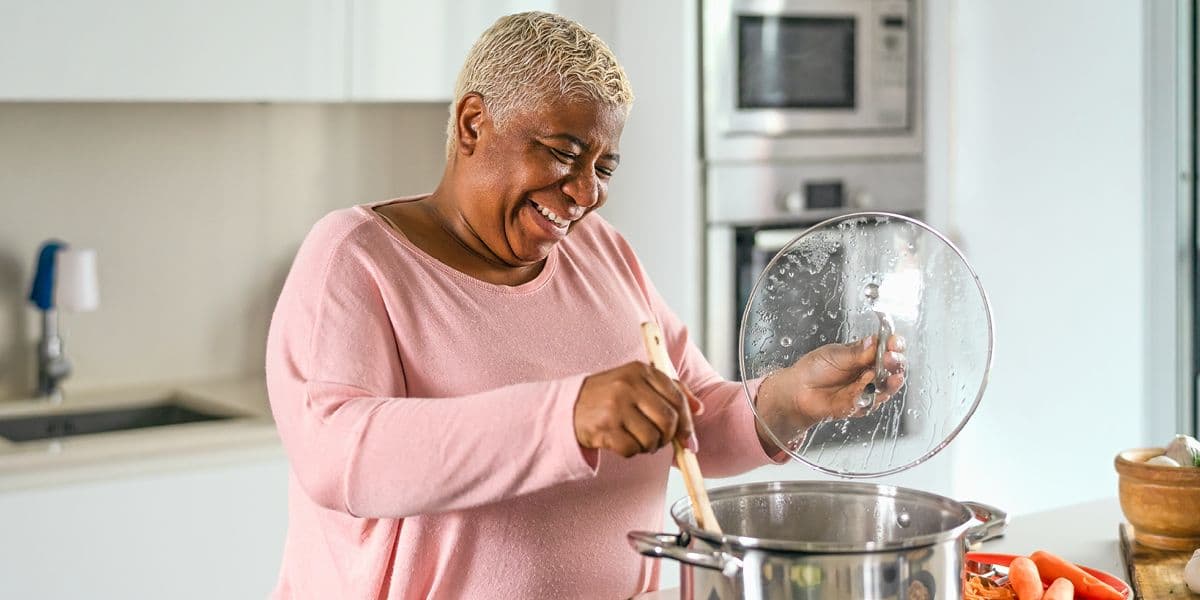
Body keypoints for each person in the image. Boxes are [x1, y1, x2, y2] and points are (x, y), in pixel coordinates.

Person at [265, 11, 905, 599]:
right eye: (564, 153)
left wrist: (787, 401)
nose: (585, 192)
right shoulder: (357, 257)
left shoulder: (601, 252)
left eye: (605, 166)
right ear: (472, 124)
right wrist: (565, 416)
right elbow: (340, 456)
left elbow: (688, 422)